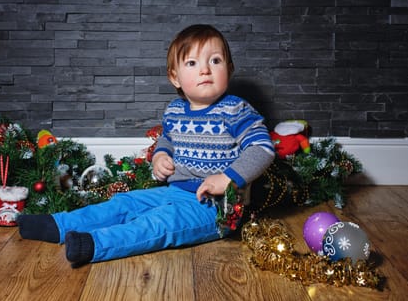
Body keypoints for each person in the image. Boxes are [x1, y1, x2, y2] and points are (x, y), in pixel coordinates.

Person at [17, 24, 275, 267]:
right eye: (192, 63)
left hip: (218, 208)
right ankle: (58, 225)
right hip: (175, 192)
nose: (205, 69)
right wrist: (161, 155)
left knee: (160, 225)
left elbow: (262, 148)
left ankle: (94, 245)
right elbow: (167, 139)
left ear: (229, 69)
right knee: (125, 203)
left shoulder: (235, 109)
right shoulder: (175, 110)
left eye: (215, 61)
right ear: (175, 77)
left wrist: (228, 178)